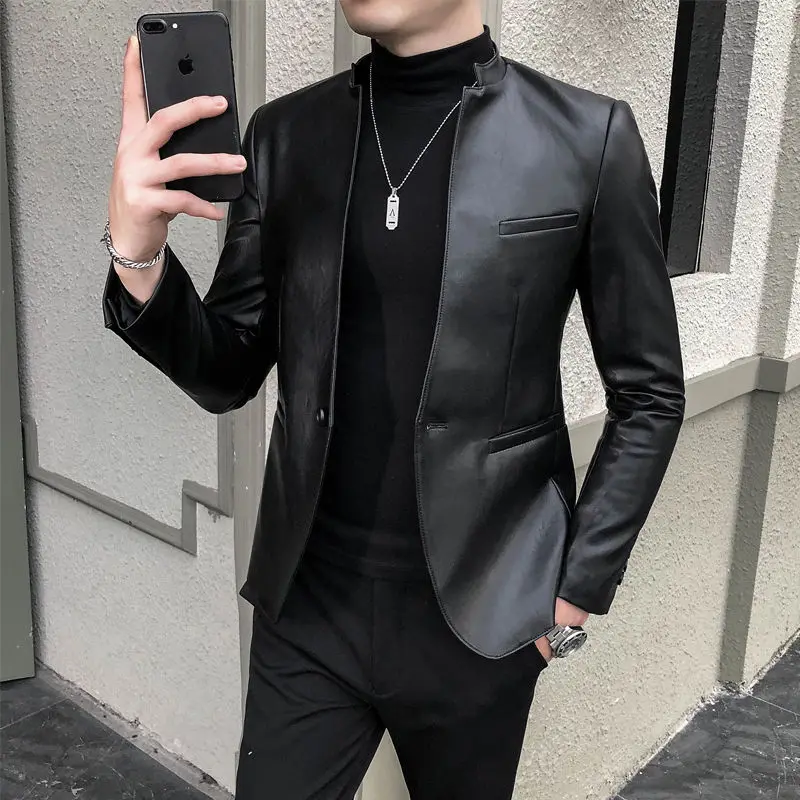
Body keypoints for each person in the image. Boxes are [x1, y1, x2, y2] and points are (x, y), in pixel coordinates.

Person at [102, 1, 685, 797]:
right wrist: (139, 258)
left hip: (484, 618)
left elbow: (648, 393)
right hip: (307, 611)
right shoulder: (285, 135)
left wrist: (575, 594)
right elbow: (226, 370)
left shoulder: (588, 138)